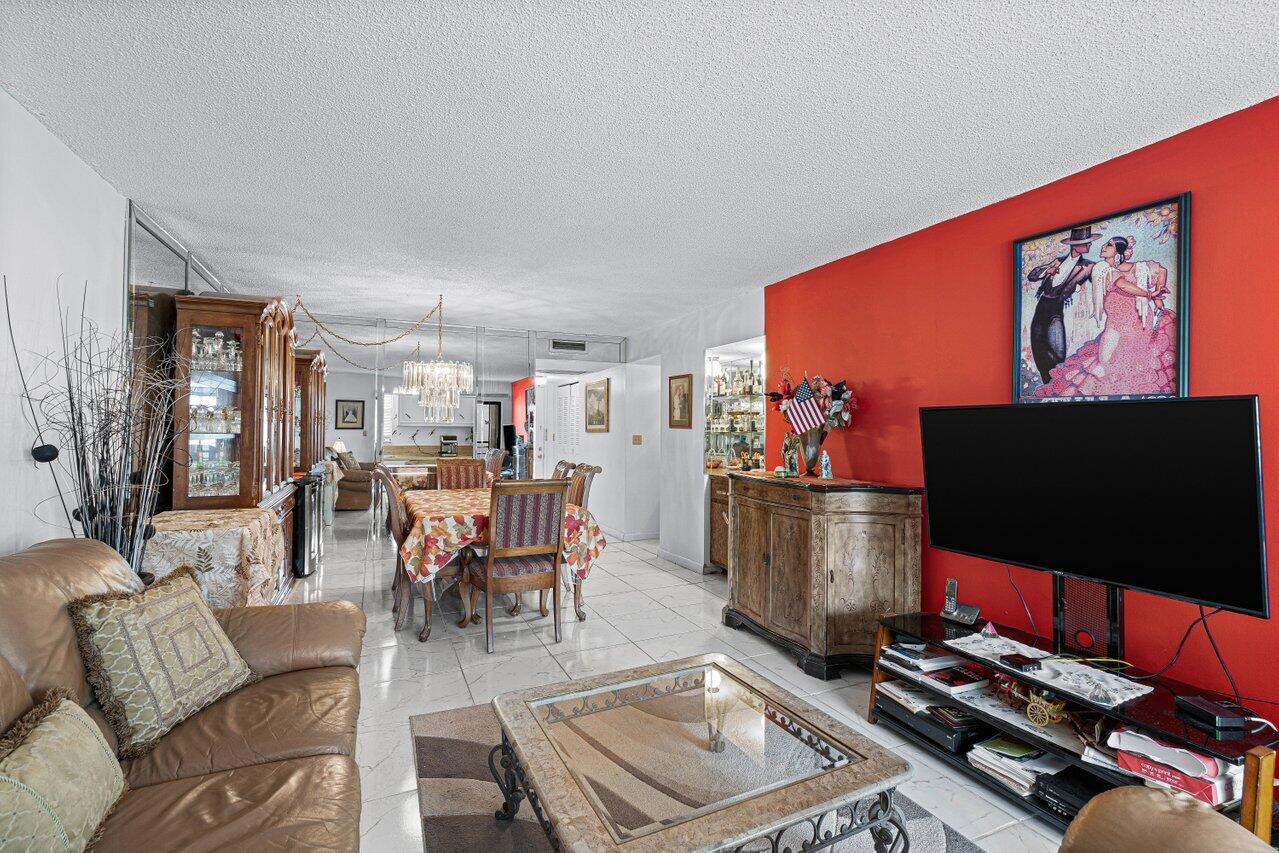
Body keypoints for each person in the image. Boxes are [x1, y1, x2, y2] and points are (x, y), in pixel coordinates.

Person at [1036, 235, 1175, 398]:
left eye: (1108, 245)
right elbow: (1121, 284)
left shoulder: (1137, 267)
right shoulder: (1102, 268)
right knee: (1104, 362)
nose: (1103, 247)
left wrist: (1158, 294)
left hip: (1137, 321)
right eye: (1104, 244)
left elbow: (1162, 270)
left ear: (1118, 252)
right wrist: (1150, 295)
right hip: (1116, 321)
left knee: (1125, 361)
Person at [1026, 226, 1101, 384]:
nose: (1089, 245)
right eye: (1086, 242)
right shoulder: (1058, 261)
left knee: (1057, 349)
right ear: (1075, 245)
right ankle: (1047, 382)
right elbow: (1032, 276)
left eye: (1089, 242)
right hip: (1042, 306)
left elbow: (1101, 279)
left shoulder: (1088, 266)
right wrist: (1048, 270)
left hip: (1056, 308)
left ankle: (1057, 383)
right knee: (1038, 345)